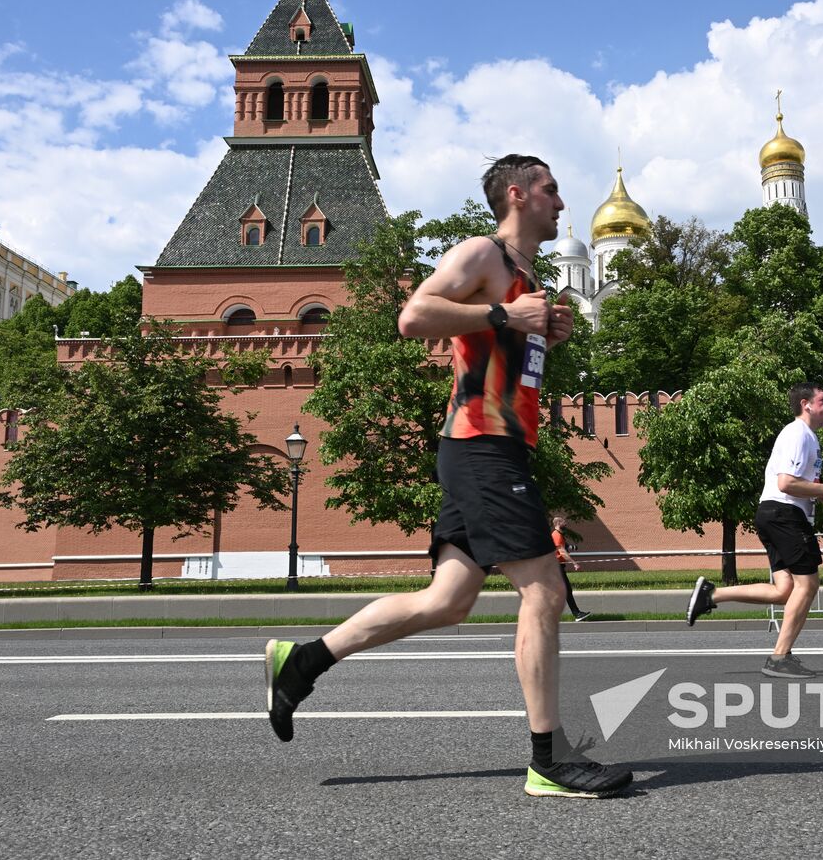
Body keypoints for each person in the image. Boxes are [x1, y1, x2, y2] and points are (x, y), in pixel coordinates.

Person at [265, 154, 633, 799]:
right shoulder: (482, 254)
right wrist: (503, 317)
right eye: (551, 190)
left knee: (448, 600)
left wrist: (546, 333)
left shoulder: (525, 274)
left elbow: (506, 354)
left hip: (494, 448)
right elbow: (414, 317)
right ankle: (548, 761)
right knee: (544, 588)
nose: (562, 202)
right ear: (517, 195)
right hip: (481, 445)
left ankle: (303, 661)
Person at [685, 382, 823, 678]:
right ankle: (779, 658)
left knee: (785, 590)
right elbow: (786, 483)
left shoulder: (806, 436)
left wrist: (819, 494)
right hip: (785, 515)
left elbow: (792, 484)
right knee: (808, 586)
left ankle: (711, 595)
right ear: (806, 404)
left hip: (775, 513)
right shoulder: (798, 433)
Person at [550, 514, 590, 621]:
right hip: (556, 567)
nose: (566, 524)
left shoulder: (559, 534)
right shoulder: (556, 535)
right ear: (558, 523)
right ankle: (577, 614)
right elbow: (562, 552)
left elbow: (564, 547)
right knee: (566, 590)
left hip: (557, 567)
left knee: (562, 591)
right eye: (564, 522)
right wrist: (574, 563)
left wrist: (572, 547)